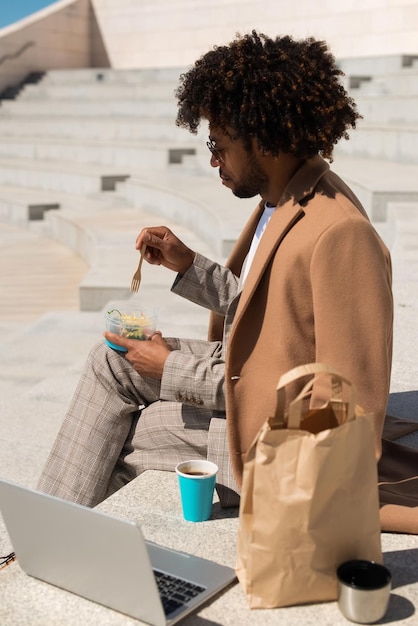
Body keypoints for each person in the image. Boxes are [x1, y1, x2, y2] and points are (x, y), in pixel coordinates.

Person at [37, 31, 393, 512]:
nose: (212, 159)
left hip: (269, 441)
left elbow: (341, 407)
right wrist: (189, 265)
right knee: (109, 361)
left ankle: (44, 542)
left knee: (118, 434)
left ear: (263, 138)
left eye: (219, 145)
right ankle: (48, 533)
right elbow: (266, 306)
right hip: (243, 375)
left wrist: (173, 370)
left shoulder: (341, 234)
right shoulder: (285, 195)